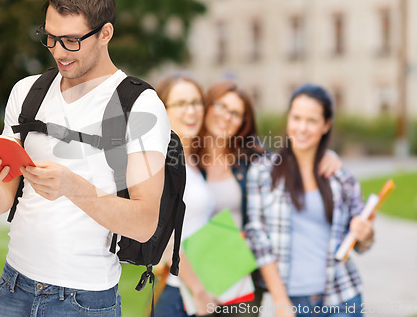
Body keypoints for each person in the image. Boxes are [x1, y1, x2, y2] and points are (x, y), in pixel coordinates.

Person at [0, 0, 170, 316]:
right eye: (50, 37)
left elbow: (145, 223)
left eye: (72, 40)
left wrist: (74, 187)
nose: (59, 51)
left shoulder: (139, 105)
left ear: (105, 33)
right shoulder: (27, 93)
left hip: (83, 300)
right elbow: (0, 203)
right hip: (13, 285)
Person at [196, 80, 343, 317]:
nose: (226, 117)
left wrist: (328, 155)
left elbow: (291, 159)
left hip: (239, 273)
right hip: (193, 268)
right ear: (207, 106)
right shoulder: (183, 157)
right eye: (220, 106)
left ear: (244, 122)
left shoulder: (252, 158)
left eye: (236, 113)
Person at [245, 84, 374, 317]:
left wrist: (366, 235)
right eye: (296, 118)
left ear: (326, 125)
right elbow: (258, 238)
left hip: (342, 298)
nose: (302, 128)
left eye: (312, 121)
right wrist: (280, 299)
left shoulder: (342, 178)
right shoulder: (263, 172)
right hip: (290, 300)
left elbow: (359, 241)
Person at [153, 73, 218, 317]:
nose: (191, 111)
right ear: (163, 110)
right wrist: (198, 290)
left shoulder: (189, 159)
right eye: (180, 104)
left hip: (204, 289)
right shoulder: (162, 162)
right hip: (183, 295)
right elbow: (166, 236)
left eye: (196, 102)